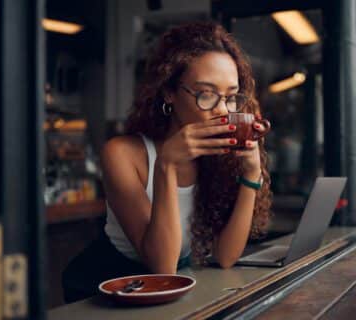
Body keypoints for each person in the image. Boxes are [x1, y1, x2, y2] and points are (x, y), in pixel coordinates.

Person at [62, 21, 272, 303]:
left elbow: (225, 257)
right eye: (206, 94)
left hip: (174, 297)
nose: (223, 110)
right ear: (169, 92)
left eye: (231, 97)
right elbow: (162, 268)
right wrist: (166, 166)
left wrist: (252, 172)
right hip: (108, 293)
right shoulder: (122, 153)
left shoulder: (218, 159)